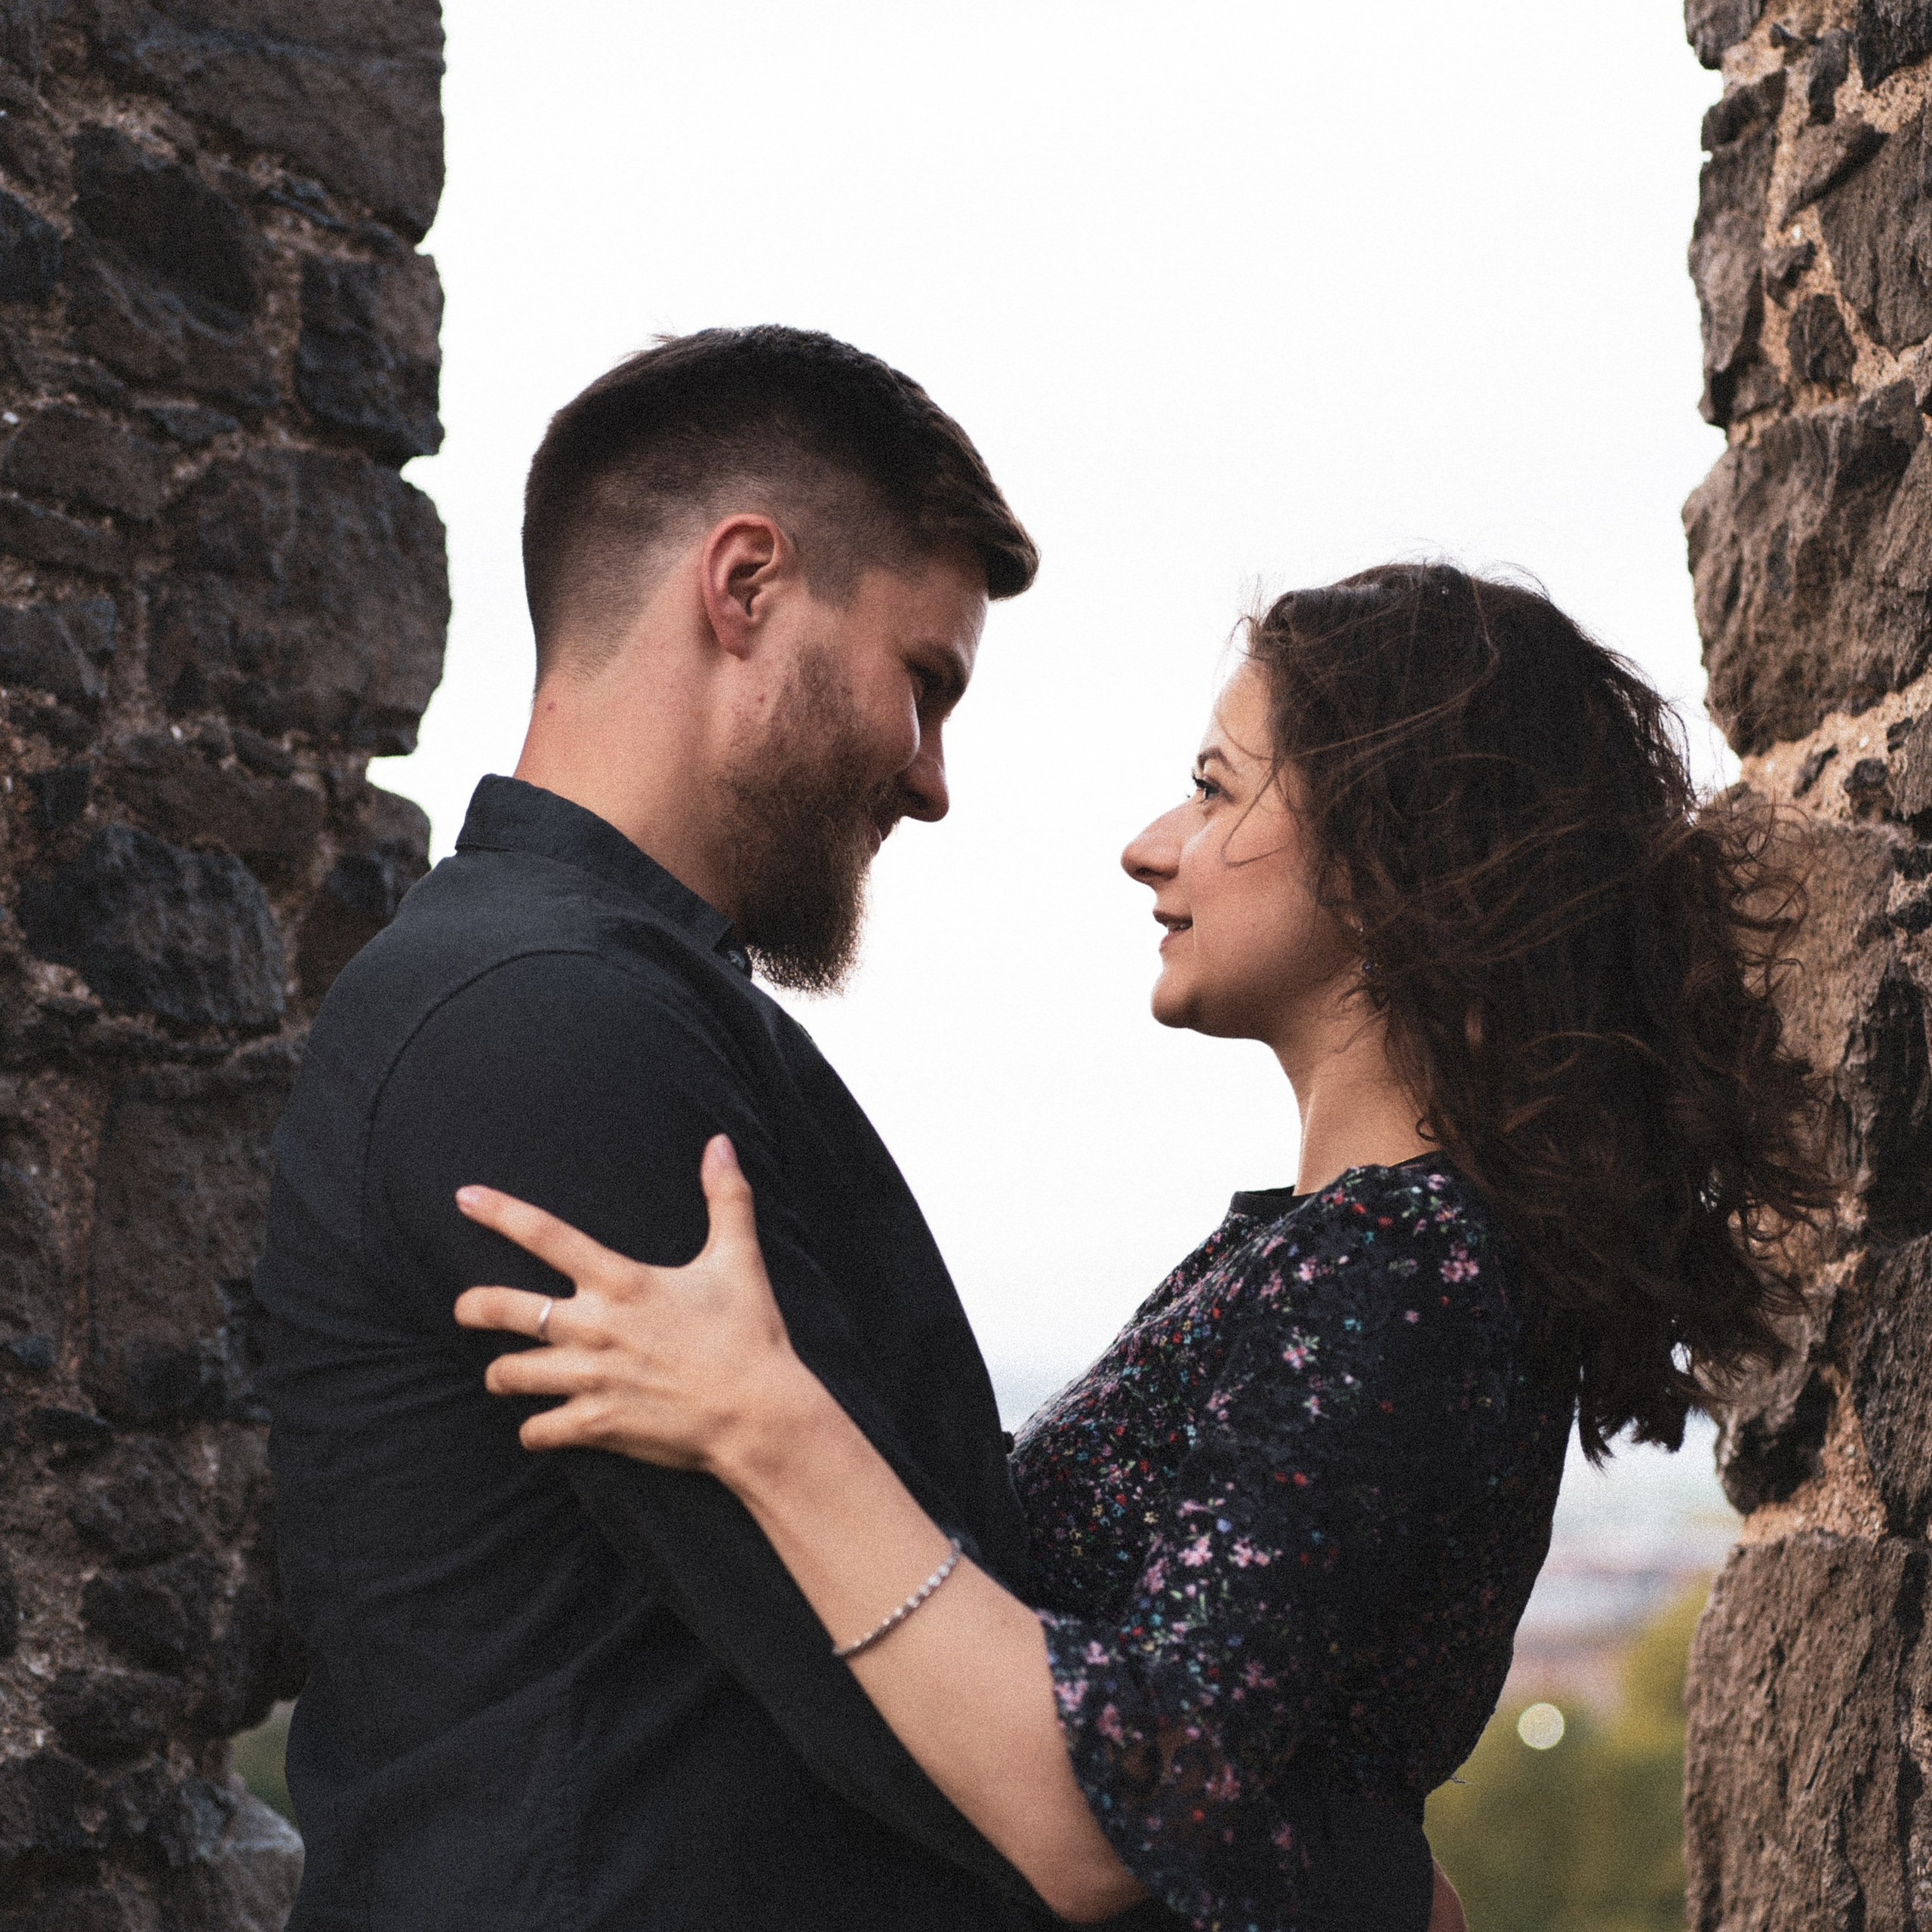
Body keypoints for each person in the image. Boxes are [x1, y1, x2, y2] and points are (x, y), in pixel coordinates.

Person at [253, 328, 1451, 1931]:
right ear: (742, 584)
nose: (933, 779)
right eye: (924, 682)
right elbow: (928, 1735)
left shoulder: (625, 1003)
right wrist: (1371, 1885)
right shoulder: (546, 1024)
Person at [451, 565, 1829, 1930]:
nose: (1152, 842)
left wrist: (763, 1419)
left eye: (1220, 788)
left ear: (1390, 850)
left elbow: (1118, 1813)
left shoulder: (1397, 1269)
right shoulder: (1364, 1253)